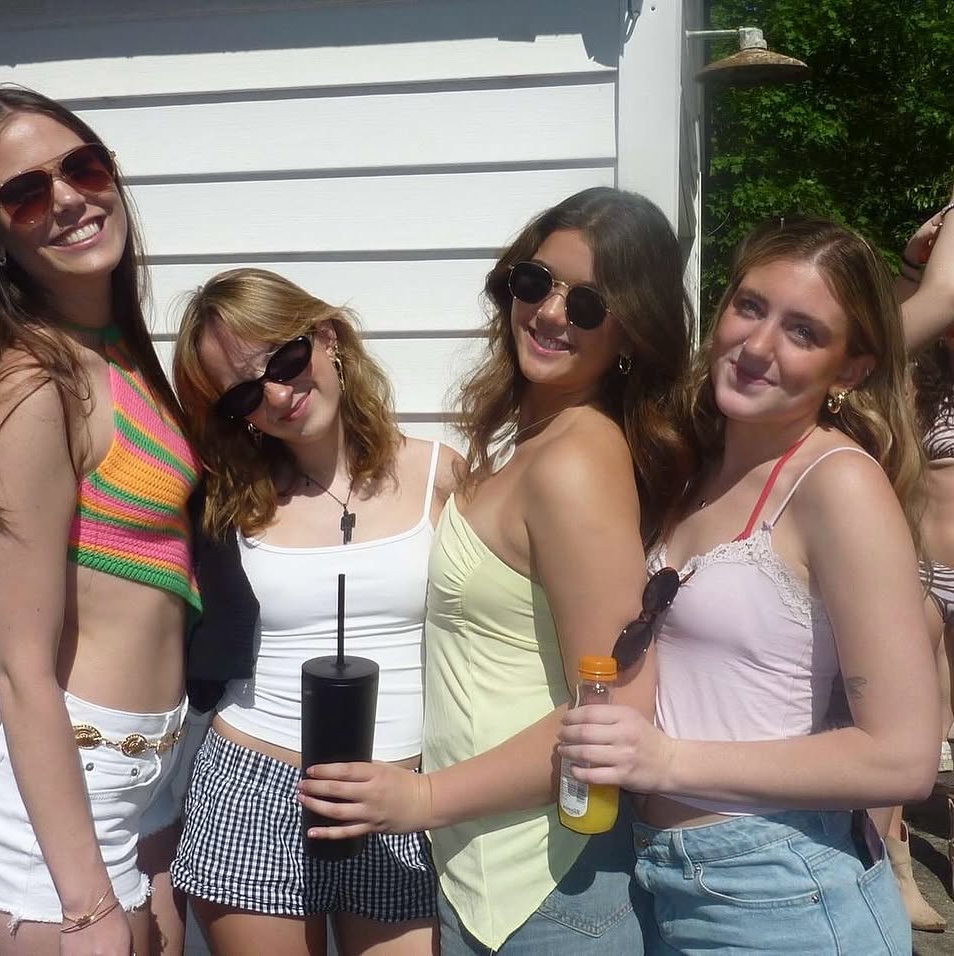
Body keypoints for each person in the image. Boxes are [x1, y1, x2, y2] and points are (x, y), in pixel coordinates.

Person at [298, 186, 696, 953]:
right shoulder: (536, 441)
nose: (550, 312)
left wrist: (422, 798)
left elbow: (616, 704)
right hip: (492, 877)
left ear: (630, 332)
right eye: (535, 281)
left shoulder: (577, 461)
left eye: (588, 305)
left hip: (545, 889)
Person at [558, 218, 940, 955]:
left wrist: (666, 760)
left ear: (850, 371)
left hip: (782, 893)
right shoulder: (695, 465)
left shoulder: (837, 485)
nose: (758, 346)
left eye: (803, 332)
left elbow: (902, 757)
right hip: (664, 875)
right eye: (751, 307)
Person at [0, 86, 199, 956]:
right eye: (27, 192)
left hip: (133, 779)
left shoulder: (117, 354)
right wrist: (85, 906)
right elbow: (19, 666)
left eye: (83, 166)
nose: (70, 199)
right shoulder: (34, 384)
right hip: (53, 805)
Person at [168, 267, 461, 956]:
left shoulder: (442, 474)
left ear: (327, 337)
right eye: (246, 391)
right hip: (256, 789)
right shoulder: (230, 501)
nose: (278, 393)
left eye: (285, 358)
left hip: (407, 797)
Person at [888, 191, 954, 932]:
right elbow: (889, 334)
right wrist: (915, 264)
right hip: (926, 573)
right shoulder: (921, 377)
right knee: (910, 727)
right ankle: (901, 872)